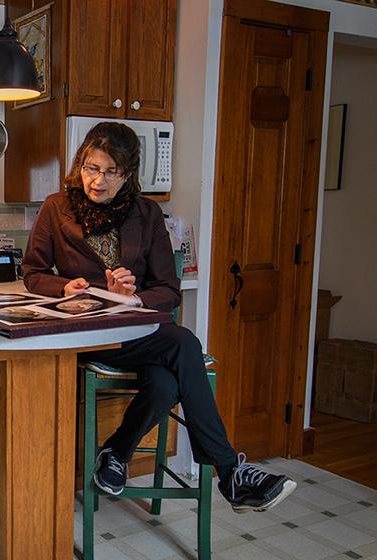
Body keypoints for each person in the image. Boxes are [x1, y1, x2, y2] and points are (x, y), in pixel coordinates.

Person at [23, 121, 296, 513]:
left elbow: (168, 290)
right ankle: (229, 473)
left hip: (137, 332)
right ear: (80, 164)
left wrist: (132, 298)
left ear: (128, 174)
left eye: (110, 171)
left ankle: (117, 453)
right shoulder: (56, 208)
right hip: (87, 335)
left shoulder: (147, 215)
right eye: (90, 168)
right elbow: (32, 274)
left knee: (167, 382)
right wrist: (64, 288)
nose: (97, 180)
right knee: (184, 345)